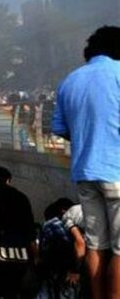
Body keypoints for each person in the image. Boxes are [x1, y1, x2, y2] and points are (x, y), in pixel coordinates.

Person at [52, 26, 120, 299]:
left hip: (84, 173)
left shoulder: (70, 81)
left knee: (95, 245)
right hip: (116, 171)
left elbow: (59, 127)